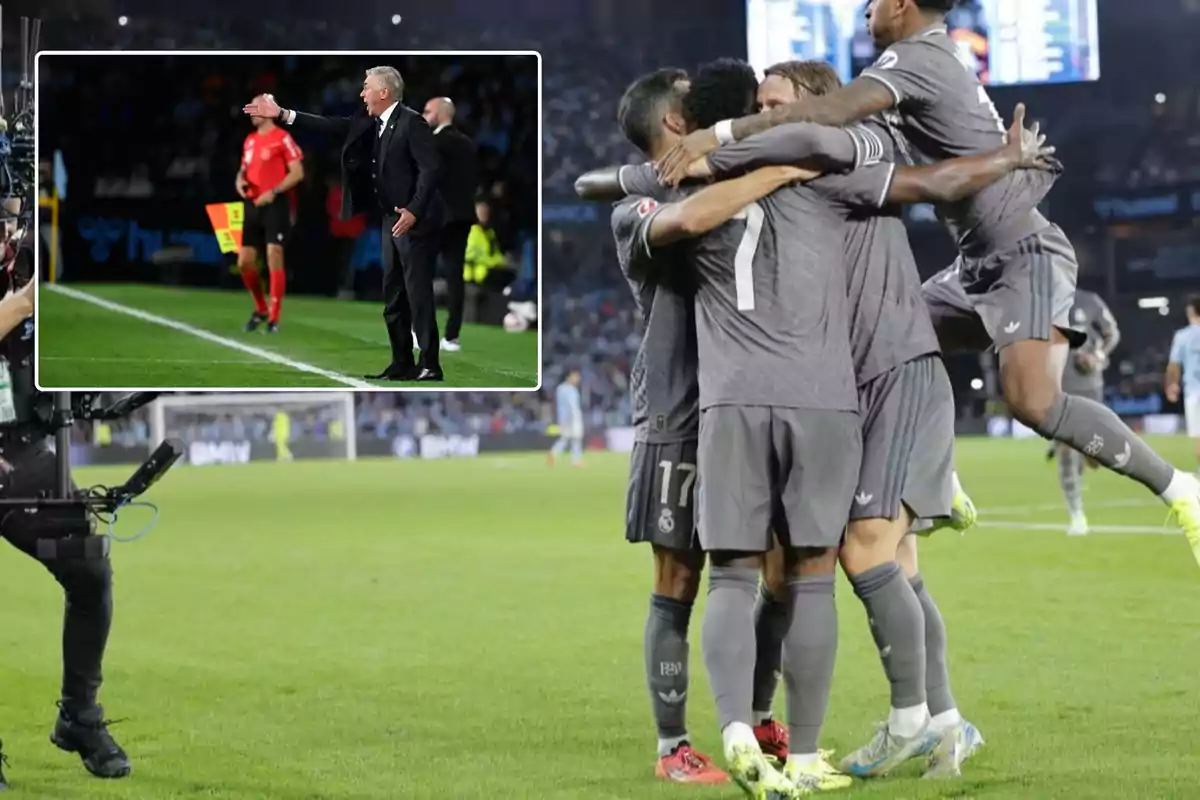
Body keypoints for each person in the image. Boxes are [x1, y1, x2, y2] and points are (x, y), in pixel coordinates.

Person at [656, 0, 1200, 566]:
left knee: (1032, 402)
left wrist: (717, 137)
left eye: (873, 3)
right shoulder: (913, 67)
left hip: (1021, 253)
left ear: (901, 6)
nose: (865, 11)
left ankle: (1179, 487)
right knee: (882, 346)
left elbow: (831, 112)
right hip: (974, 264)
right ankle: (938, 476)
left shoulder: (917, 57)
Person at [609, 67, 785, 786]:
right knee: (679, 575)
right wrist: (783, 166)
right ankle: (671, 745)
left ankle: (757, 716)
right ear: (675, 124)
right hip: (678, 414)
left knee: (775, 566)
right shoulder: (637, 206)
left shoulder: (724, 174)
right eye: (694, 103)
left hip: (750, 405)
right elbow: (690, 216)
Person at [0, 217, 130, 787]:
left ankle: (80, 714)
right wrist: (20, 307)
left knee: (88, 568)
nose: (9, 222)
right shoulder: (20, 288)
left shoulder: (28, 257)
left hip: (21, 448)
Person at [243, 68, 444, 382]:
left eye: (366, 88)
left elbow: (430, 170)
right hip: (390, 219)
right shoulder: (368, 122)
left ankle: (430, 363)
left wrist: (414, 211)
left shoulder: (412, 122)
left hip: (413, 221)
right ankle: (401, 361)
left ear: (383, 93)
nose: (361, 94)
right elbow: (330, 126)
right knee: (392, 296)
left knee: (417, 294)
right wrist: (283, 114)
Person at [1051, 289, 1120, 535]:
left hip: (1089, 385)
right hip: (1057, 388)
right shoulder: (1039, 304)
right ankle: (1077, 515)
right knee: (1066, 449)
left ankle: (1090, 454)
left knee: (1093, 452)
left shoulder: (1090, 301)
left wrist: (1097, 355)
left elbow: (1112, 334)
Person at [236, 94, 304, 334]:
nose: (251, 112)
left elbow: (297, 173)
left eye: (255, 107)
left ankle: (274, 317)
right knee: (244, 261)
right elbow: (243, 170)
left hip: (275, 204)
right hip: (252, 204)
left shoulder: (282, 138)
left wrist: (274, 192)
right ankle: (261, 307)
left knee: (274, 253)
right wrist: (239, 181)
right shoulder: (250, 140)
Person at [423, 97, 479, 352]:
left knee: (421, 272)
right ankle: (452, 337)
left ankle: (421, 332)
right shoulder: (467, 143)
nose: (424, 115)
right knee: (455, 277)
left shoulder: (435, 142)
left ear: (442, 114)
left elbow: (427, 179)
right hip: (463, 216)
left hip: (438, 216)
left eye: (427, 111)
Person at [1166, 297, 1200, 473]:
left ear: (1191, 312)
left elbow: (1174, 365)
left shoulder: (1182, 336)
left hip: (1194, 392)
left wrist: (1171, 385)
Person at [549, 370, 584, 466]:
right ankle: (576, 460)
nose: (577, 379)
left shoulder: (560, 389)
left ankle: (554, 452)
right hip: (572, 417)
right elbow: (572, 406)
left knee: (565, 438)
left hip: (563, 418)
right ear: (569, 377)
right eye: (575, 377)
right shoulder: (571, 390)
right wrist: (573, 417)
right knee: (576, 439)